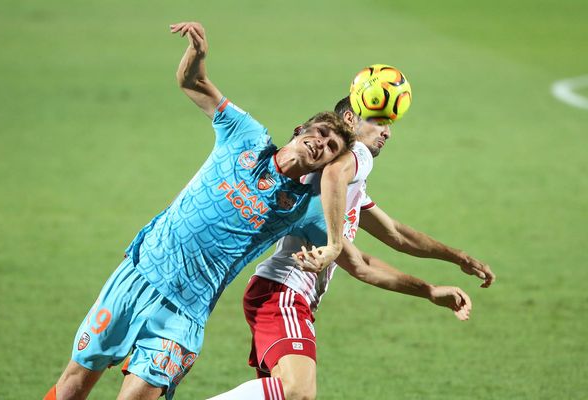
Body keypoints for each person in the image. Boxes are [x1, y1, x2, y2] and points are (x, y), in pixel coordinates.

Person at [44, 21, 357, 400]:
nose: (321, 143)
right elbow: (192, 82)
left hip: (184, 314)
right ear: (299, 130)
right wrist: (197, 54)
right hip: (139, 273)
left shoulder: (306, 209)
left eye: (331, 147)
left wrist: (340, 252)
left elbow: (360, 259)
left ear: (328, 167)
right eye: (320, 133)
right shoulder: (248, 135)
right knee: (74, 382)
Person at [207, 97, 495, 400]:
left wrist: (453, 261)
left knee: (285, 395)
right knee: (298, 391)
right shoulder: (351, 159)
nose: (388, 132)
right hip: (282, 294)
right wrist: (335, 245)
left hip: (281, 295)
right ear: (349, 119)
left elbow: (394, 234)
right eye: (380, 121)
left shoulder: (345, 186)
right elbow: (358, 261)